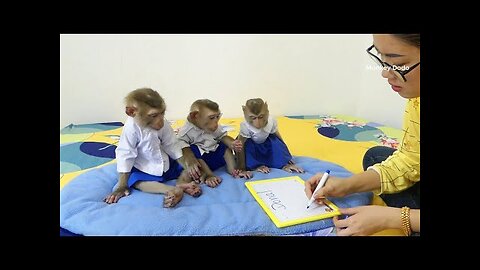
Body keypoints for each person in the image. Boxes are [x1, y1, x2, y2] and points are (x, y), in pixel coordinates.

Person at [304, 34, 420, 236]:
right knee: (375, 156)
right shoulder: (416, 100)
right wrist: (346, 186)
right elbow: (411, 159)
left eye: (398, 63)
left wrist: (394, 218)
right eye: (382, 59)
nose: (385, 73)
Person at [103, 88, 202, 208]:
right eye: (153, 115)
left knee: (192, 163)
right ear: (131, 112)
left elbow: (171, 145)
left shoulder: (162, 123)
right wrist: (121, 185)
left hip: (165, 162)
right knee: (135, 181)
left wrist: (187, 166)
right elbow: (126, 154)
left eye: (162, 113)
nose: (160, 121)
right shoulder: (131, 128)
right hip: (144, 167)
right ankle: (171, 190)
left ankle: (182, 183)